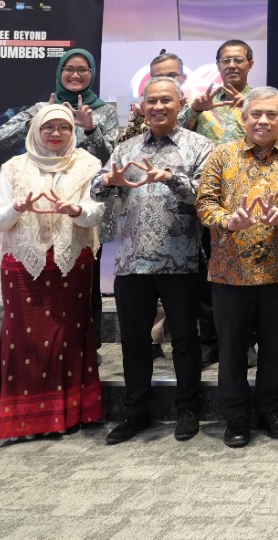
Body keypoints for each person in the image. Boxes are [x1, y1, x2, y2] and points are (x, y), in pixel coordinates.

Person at [93, 76, 215, 445]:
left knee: (185, 340)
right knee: (133, 341)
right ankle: (136, 412)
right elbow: (97, 189)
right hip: (132, 261)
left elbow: (206, 196)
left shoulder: (199, 145)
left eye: (166, 100)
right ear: (142, 106)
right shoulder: (126, 147)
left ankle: (188, 409)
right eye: (152, 101)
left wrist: (172, 178)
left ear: (180, 104)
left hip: (182, 262)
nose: (158, 107)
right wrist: (109, 182)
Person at [0, 104, 104, 444]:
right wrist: (17, 207)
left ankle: (67, 414)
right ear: (35, 130)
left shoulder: (88, 164)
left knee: (67, 337)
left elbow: (97, 213)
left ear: (72, 131)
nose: (55, 134)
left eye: (63, 127)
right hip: (22, 263)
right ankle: (23, 419)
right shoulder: (14, 167)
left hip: (71, 261)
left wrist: (75, 209)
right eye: (48, 127)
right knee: (24, 340)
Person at [195, 87, 278, 448]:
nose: (263, 121)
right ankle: (236, 418)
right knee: (232, 349)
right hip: (230, 271)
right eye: (256, 113)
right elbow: (204, 203)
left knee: (274, 348)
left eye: (271, 114)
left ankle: (273, 412)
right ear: (244, 118)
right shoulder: (221, 156)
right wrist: (227, 221)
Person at [0, 46, 118, 163]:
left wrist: (91, 130)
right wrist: (34, 121)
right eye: (69, 69)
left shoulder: (106, 111)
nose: (75, 75)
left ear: (92, 73)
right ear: (60, 72)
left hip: (87, 178)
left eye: (82, 70)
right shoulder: (42, 109)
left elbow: (111, 160)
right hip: (42, 177)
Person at [112, 50, 188, 145]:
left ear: (184, 78)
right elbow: (121, 146)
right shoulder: (145, 109)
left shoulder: (194, 109)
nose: (165, 81)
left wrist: (195, 112)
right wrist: (136, 119)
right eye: (159, 77)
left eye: (171, 76)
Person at [192, 40, 255, 145]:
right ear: (218, 65)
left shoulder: (262, 101)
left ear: (250, 65)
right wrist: (194, 110)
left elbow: (275, 137)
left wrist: (252, 107)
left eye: (238, 60)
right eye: (226, 61)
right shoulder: (202, 102)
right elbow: (176, 134)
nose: (231, 65)